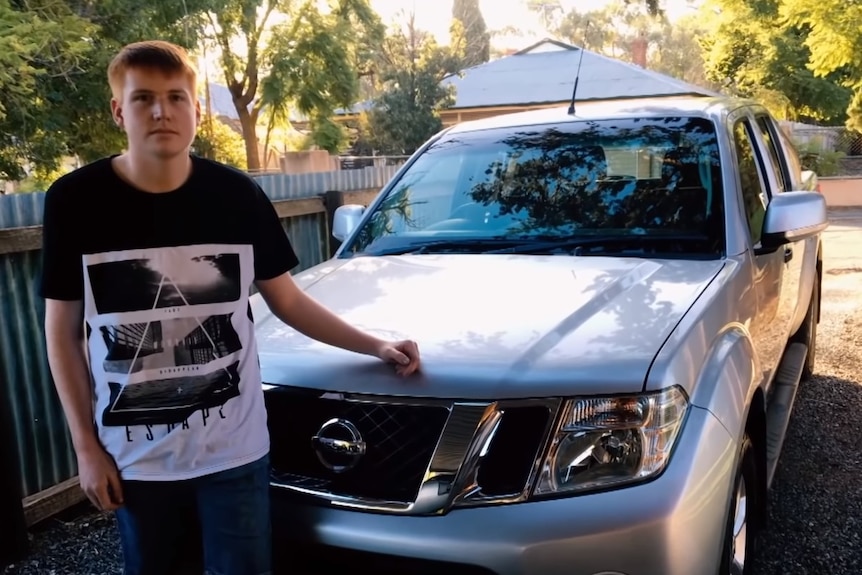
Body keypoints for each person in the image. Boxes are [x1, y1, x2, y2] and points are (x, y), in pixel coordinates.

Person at [38, 39, 421, 575]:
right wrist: (86, 448)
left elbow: (286, 300)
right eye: (143, 96)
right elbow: (62, 333)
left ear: (197, 109)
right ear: (118, 110)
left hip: (234, 452)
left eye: (175, 97)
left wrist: (376, 345)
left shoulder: (236, 196)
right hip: (135, 458)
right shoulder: (76, 201)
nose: (160, 110)